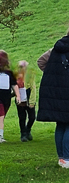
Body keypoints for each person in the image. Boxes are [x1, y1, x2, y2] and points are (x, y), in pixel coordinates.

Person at [36, 32, 69, 167]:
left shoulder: (56, 49)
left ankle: (61, 158)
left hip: (57, 92)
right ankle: (67, 158)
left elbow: (40, 62)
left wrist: (54, 74)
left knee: (60, 124)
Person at [15, 60, 36, 142]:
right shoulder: (15, 76)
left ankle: (28, 130)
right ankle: (23, 134)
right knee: (22, 117)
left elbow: (33, 88)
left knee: (32, 117)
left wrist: (32, 102)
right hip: (20, 98)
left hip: (28, 96)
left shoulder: (30, 76)